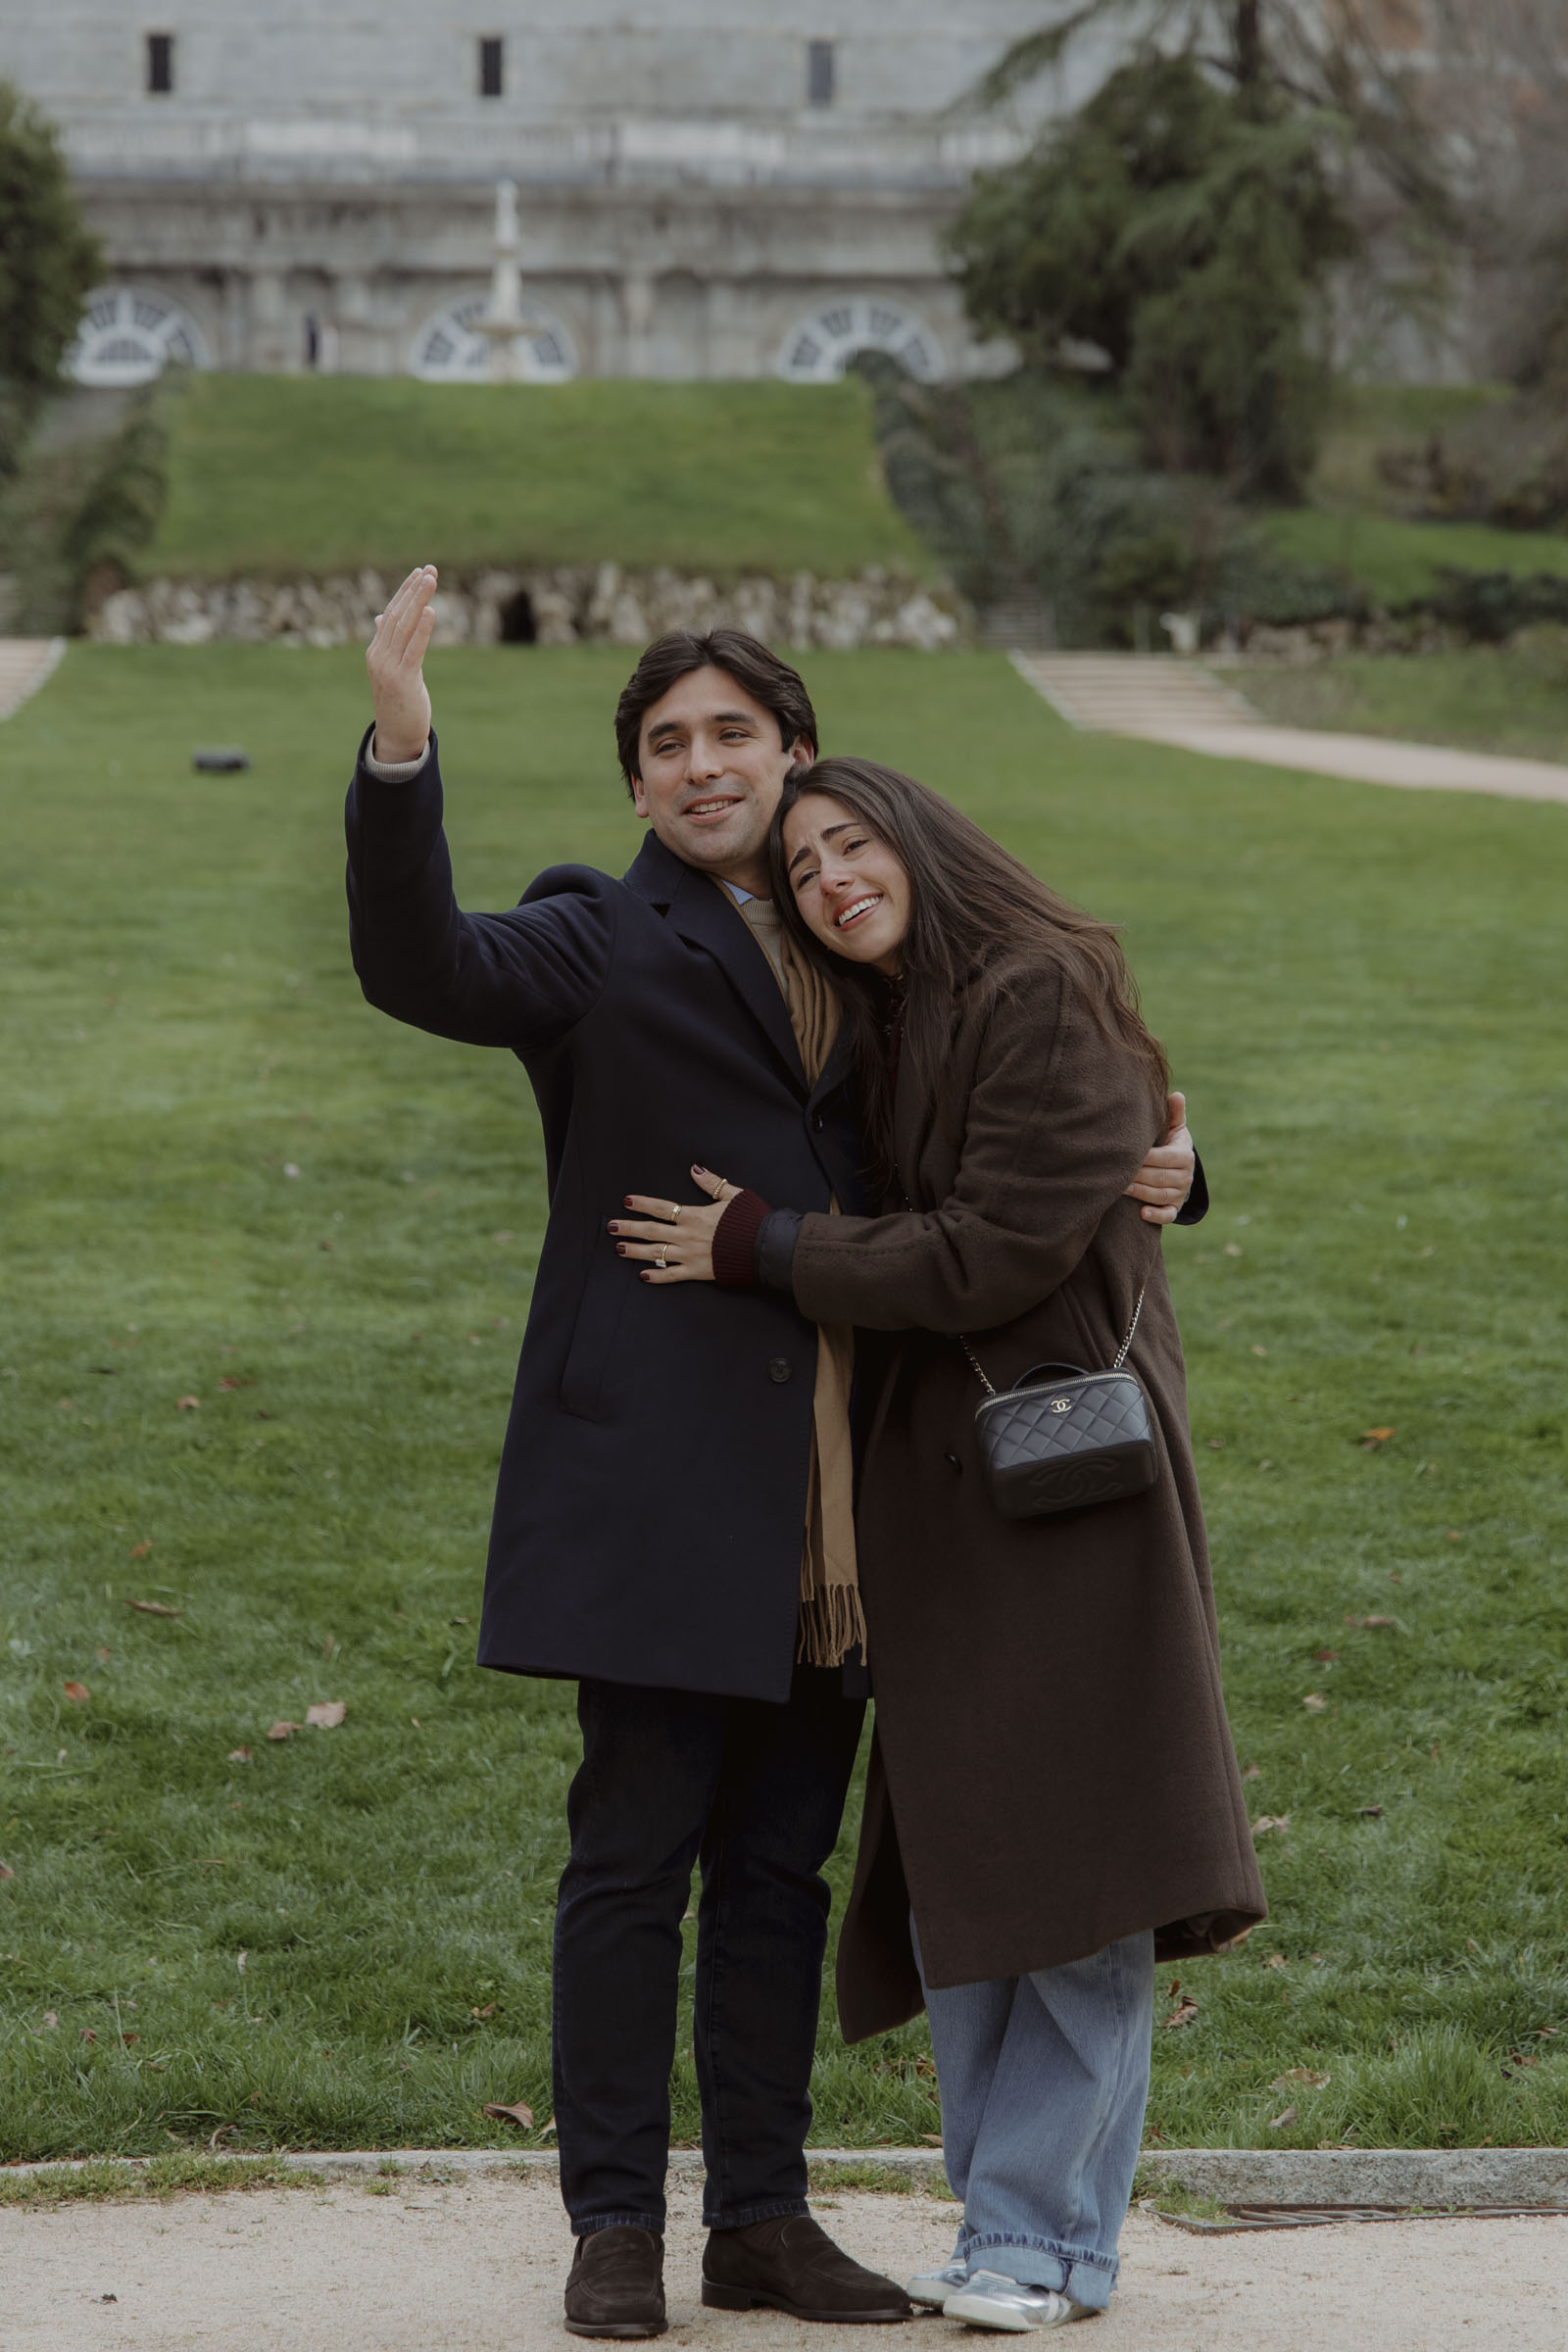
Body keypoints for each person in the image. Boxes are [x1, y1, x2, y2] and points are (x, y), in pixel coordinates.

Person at [346, 571, 1200, 2339]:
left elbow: (1022, 1114)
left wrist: (1181, 1160)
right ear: (641, 793)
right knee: (631, 1856)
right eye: (667, 745)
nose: (702, 762)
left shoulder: (866, 941)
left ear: (800, 756)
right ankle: (611, 2230)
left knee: (780, 1869)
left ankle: (760, 2221)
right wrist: (403, 749)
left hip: (853, 1489)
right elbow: (421, 964)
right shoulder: (598, 934)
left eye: (734, 732)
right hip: (657, 1475)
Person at [612, 756, 1267, 2331]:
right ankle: (1014, 2233)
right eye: (807, 865)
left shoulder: (1041, 986)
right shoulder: (891, 1021)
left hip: (1072, 1491)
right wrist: (1161, 1173)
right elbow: (1065, 1182)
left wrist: (757, 1247)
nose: (834, 876)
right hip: (954, 1499)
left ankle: (1041, 2238)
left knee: (1085, 1864)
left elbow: (993, 1249)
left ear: (918, 839)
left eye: (853, 843)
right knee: (977, 1862)